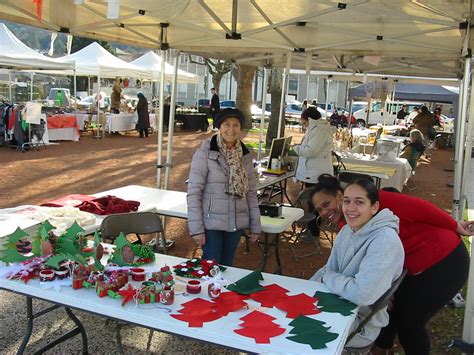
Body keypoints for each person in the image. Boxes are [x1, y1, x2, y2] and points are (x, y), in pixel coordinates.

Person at [310, 174, 472, 355]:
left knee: (410, 324)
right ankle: (381, 350)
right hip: (411, 264)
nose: (324, 212)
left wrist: (455, 224)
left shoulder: (376, 200)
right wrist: (384, 287)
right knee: (391, 312)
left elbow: (421, 208)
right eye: (319, 209)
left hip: (444, 258)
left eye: (326, 204)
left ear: (340, 195)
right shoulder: (349, 225)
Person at [312, 178, 404, 349]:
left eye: (359, 202)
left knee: (293, 333)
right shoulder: (347, 230)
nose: (351, 208)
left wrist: (329, 277)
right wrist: (309, 287)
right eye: (347, 201)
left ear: (374, 207)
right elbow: (330, 269)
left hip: (359, 325)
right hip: (337, 303)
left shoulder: (385, 240)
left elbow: (362, 295)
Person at [187, 108, 261, 266]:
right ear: (219, 127)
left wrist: (255, 225)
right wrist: (196, 228)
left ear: (241, 128)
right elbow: (194, 192)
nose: (231, 129)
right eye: (227, 124)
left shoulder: (245, 155)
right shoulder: (205, 153)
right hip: (211, 222)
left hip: (236, 222)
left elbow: (251, 193)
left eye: (236, 125)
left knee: (227, 267)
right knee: (211, 267)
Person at [293, 106, 336, 238]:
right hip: (314, 172)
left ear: (310, 120)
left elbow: (310, 151)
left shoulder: (319, 131)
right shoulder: (317, 130)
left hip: (315, 174)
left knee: (315, 203)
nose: (304, 126)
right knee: (313, 202)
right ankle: (312, 230)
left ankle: (313, 232)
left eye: (305, 123)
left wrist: (297, 149)